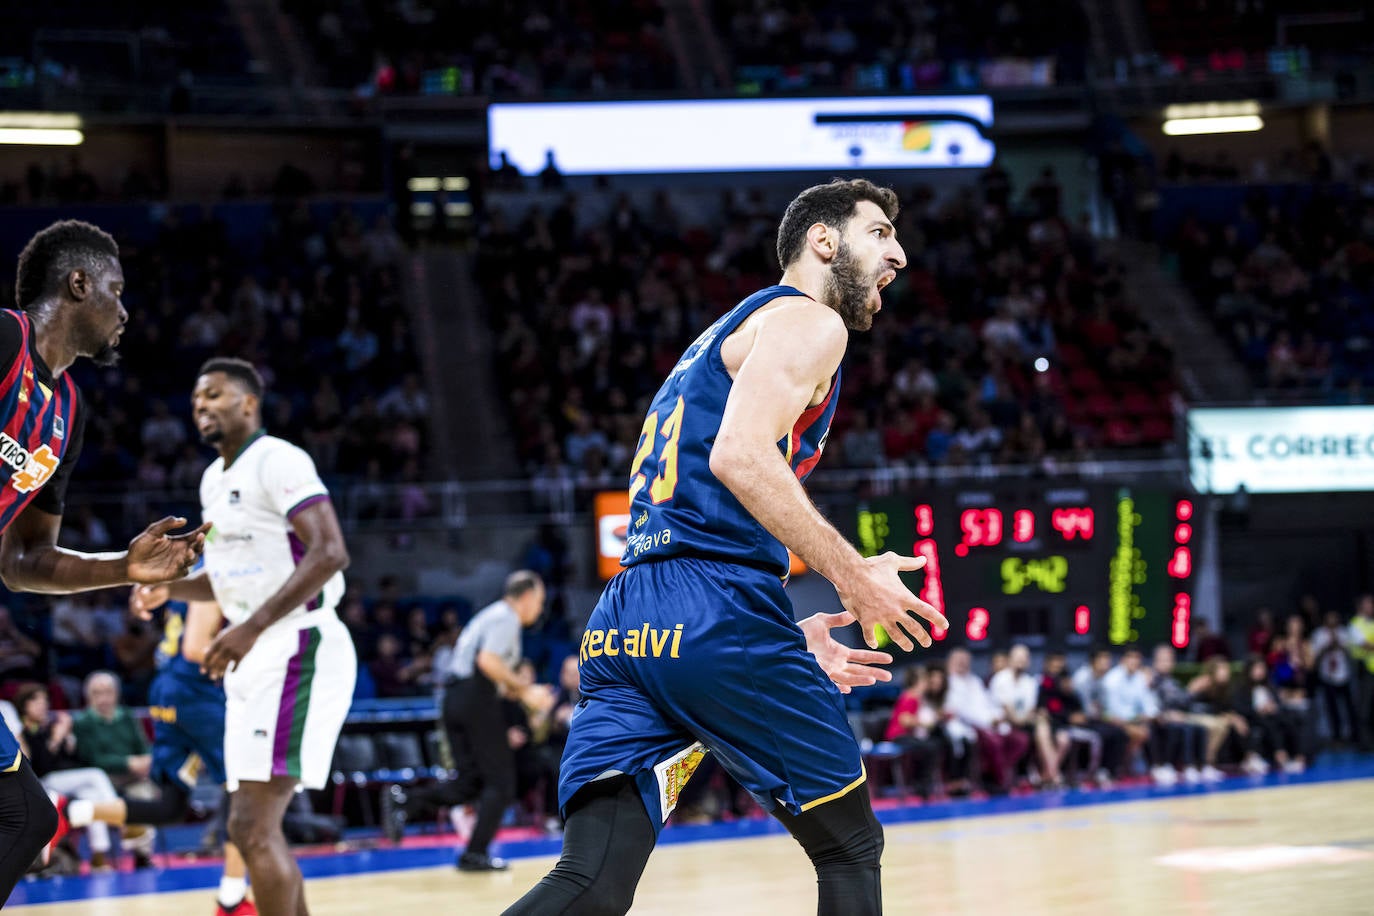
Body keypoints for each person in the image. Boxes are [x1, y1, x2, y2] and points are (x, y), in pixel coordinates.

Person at [506, 178, 945, 915]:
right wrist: (851, 574)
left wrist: (774, 629)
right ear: (823, 240)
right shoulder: (810, 321)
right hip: (711, 605)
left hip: (628, 617)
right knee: (849, 847)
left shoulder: (722, 335)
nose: (898, 254)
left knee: (591, 880)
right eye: (879, 233)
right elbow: (738, 457)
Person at [0, 220, 209, 906]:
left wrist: (128, 566)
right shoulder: (3, 339)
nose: (125, 311)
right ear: (79, 283)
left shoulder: (64, 407)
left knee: (26, 817)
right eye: (117, 292)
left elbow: (24, 559)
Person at [138, 357, 355, 916]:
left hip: (296, 644)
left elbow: (331, 552)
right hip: (256, 653)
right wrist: (171, 592)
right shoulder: (214, 479)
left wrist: (251, 627)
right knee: (251, 826)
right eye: (194, 400)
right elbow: (230, 578)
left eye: (212, 395)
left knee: (252, 827)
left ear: (248, 403)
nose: (201, 406)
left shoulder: (278, 459)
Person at [60, 594, 256, 913]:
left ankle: (71, 812)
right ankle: (232, 899)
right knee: (242, 789)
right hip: (195, 695)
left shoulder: (188, 581)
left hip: (167, 691)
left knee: (170, 807)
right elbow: (194, 649)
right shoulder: (212, 576)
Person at [381, 571, 554, 871]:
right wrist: (527, 692)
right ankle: (475, 853)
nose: (539, 609)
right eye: (539, 602)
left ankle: (405, 800)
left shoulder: (490, 616)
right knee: (501, 783)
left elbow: (494, 673)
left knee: (470, 781)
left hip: (455, 698)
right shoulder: (506, 618)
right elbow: (488, 662)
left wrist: (523, 691)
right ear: (525, 597)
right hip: (476, 698)